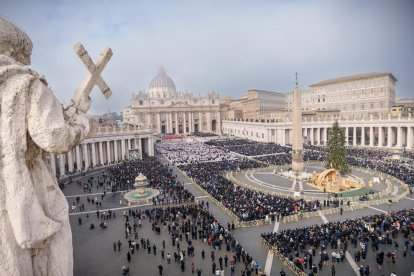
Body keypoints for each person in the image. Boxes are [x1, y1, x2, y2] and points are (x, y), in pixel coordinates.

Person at [0, 17, 95, 276]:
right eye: (24, 56)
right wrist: (82, 121)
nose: (27, 63)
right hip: (25, 187)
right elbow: (55, 137)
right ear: (13, 50)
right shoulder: (24, 83)